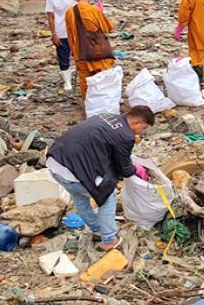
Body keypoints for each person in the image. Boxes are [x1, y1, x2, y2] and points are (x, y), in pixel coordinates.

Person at [45, 106, 155, 251]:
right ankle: (109, 239)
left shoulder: (105, 116)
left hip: (55, 162)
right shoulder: (125, 136)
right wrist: (138, 170)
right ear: (136, 123)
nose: (142, 132)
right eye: (144, 128)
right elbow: (125, 170)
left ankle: (97, 229)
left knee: (79, 196)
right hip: (72, 171)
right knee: (108, 196)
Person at [65, 0, 115, 101]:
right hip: (98, 52)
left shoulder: (69, 12)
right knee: (103, 80)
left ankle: (89, 105)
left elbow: (69, 34)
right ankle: (105, 104)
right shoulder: (94, 10)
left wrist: (74, 52)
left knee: (85, 82)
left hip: (80, 52)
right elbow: (107, 28)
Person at [46, 0, 78, 94]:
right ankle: (67, 82)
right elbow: (50, 16)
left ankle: (80, 78)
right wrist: (53, 34)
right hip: (61, 32)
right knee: (63, 58)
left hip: (75, 32)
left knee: (79, 56)